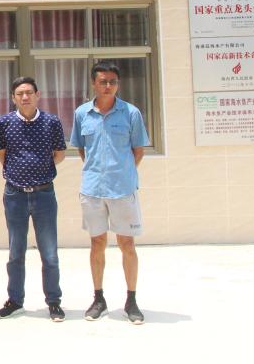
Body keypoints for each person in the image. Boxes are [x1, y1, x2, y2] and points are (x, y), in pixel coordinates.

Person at [70, 62, 149, 325]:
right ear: (94, 83)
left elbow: (138, 150)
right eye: (103, 81)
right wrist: (98, 171)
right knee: (97, 243)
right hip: (93, 190)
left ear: (118, 84)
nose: (108, 86)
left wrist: (121, 173)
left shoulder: (131, 113)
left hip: (122, 190)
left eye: (112, 82)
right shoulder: (82, 113)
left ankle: (131, 300)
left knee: (127, 244)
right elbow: (82, 148)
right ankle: (99, 299)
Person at [0, 76, 67, 322]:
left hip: (44, 194)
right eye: (19, 94)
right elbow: (2, 155)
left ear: (37, 95)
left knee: (49, 253)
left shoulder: (51, 122)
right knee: (16, 251)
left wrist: (39, 169)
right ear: (13, 98)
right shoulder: (4, 123)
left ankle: (54, 302)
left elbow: (59, 154)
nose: (24, 97)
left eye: (28, 93)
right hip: (15, 195)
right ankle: (15, 301)